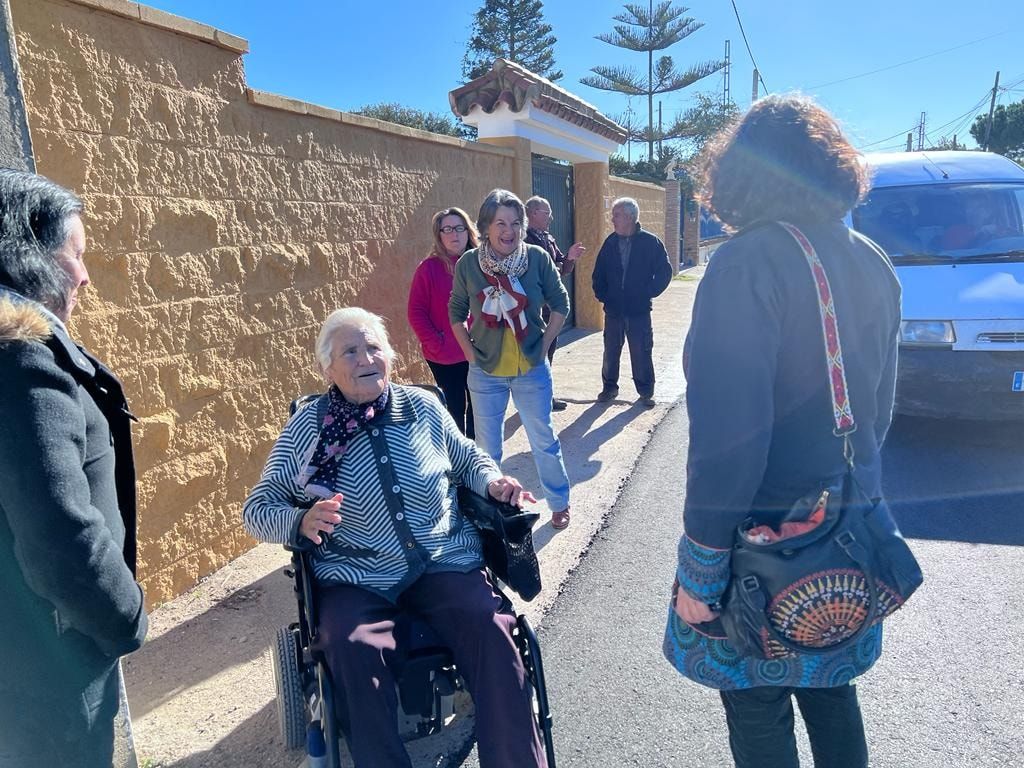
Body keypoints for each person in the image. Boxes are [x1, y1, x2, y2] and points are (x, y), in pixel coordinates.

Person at [664, 94, 901, 768]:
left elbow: (728, 444)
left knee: (759, 702)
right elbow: (877, 416)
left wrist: (701, 573)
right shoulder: (873, 261)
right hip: (845, 531)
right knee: (832, 691)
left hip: (759, 541)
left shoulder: (746, 264)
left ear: (739, 175)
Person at [243, 307, 547, 768]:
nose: (366, 358)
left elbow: (468, 458)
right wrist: (299, 522)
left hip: (443, 560)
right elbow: (258, 509)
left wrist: (493, 482)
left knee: (492, 629)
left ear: (390, 355)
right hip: (355, 574)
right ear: (328, 367)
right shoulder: (309, 428)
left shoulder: (422, 408)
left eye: (374, 347)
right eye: (350, 350)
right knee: (351, 647)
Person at [0, 169, 148, 767]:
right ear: (29, 256)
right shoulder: (21, 364)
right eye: (75, 254)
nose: (85, 275)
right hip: (50, 662)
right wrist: (125, 618)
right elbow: (62, 539)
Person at [448, 189, 574, 530]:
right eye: (500, 223)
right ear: (486, 227)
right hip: (485, 372)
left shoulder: (536, 258)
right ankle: (495, 511)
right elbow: (456, 312)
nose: (509, 230)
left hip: (530, 369)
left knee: (543, 440)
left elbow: (561, 304)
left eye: (515, 223)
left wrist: (544, 344)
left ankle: (559, 502)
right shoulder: (469, 265)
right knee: (487, 449)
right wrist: (470, 355)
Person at [591, 197, 673, 408]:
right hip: (614, 311)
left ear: (629, 217)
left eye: (616, 215)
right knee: (610, 352)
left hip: (639, 312)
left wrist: (648, 292)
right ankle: (609, 388)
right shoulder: (610, 242)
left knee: (641, 351)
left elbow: (664, 272)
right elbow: (598, 273)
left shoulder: (650, 242)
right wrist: (604, 295)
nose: (612, 219)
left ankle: (646, 392)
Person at [408, 207, 479, 436]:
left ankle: (478, 457)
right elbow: (416, 311)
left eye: (459, 228)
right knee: (454, 410)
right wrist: (436, 341)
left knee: (480, 409)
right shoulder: (428, 269)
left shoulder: (481, 264)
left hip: (479, 351)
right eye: (446, 229)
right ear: (439, 235)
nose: (453, 234)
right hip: (445, 355)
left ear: (468, 231)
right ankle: (457, 460)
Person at [524, 195, 585, 411]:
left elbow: (562, 268)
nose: (551, 217)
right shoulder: (524, 241)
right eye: (547, 213)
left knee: (549, 353)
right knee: (536, 356)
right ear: (532, 213)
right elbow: (540, 274)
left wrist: (570, 258)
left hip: (551, 309)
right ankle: (535, 401)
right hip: (535, 310)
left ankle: (545, 398)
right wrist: (560, 266)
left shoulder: (547, 237)